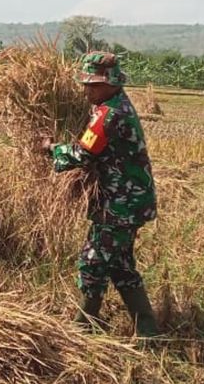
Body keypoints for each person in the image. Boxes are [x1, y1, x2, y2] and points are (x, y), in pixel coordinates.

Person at [41, 51, 159, 337]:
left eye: (92, 85)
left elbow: (83, 153)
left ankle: (85, 326)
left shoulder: (110, 114)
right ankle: (148, 329)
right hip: (127, 200)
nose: (86, 90)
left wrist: (51, 149)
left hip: (121, 204)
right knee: (120, 265)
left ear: (110, 83)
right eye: (85, 84)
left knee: (94, 260)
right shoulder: (115, 105)